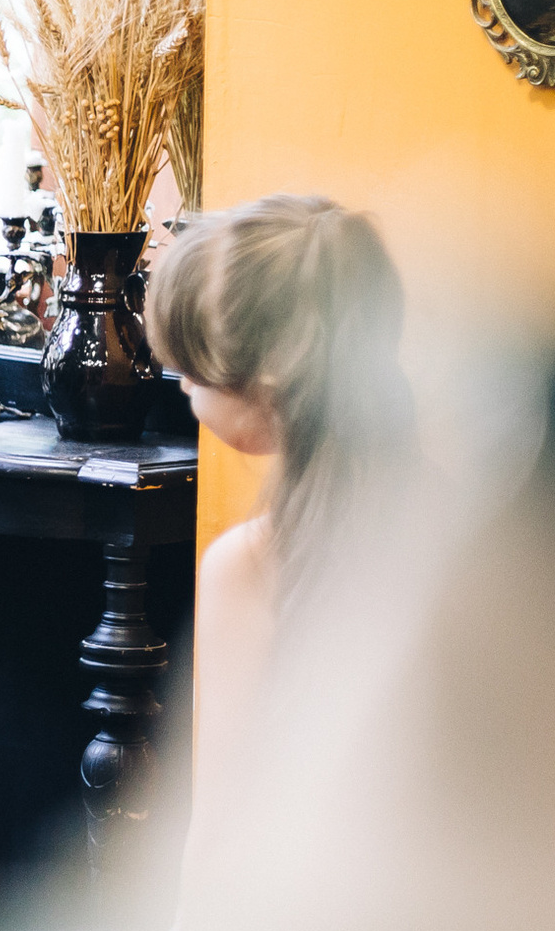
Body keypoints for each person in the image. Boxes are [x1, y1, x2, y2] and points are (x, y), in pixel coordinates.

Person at [142, 194, 412, 813]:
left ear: (262, 379)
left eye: (188, 370)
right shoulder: (469, 535)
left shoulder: (252, 566)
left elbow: (226, 830)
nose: (182, 386)